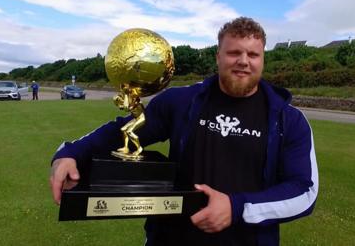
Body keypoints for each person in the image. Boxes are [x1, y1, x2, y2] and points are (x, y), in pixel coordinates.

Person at [50, 17, 318, 246]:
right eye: (234, 53)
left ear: (263, 59)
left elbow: (304, 192)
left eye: (253, 54)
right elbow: (122, 131)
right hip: (170, 238)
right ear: (218, 56)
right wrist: (72, 153)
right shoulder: (180, 101)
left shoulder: (288, 119)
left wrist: (236, 207)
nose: (243, 61)